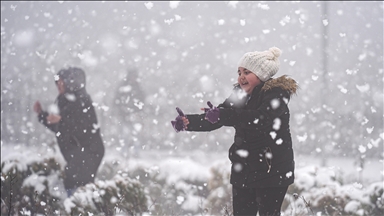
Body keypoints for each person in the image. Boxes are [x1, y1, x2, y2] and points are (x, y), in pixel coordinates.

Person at [171, 47, 298, 216]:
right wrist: (189, 122)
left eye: (247, 72)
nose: (241, 77)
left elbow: (260, 119)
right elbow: (219, 117)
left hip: (272, 171)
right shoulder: (239, 94)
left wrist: (224, 114)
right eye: (239, 72)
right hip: (244, 168)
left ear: (261, 74)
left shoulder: (277, 94)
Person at [33, 67, 105, 197]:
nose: (58, 86)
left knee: (77, 186)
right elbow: (60, 128)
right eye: (57, 83)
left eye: (62, 82)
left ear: (71, 82)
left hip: (88, 152)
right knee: (75, 186)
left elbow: (83, 126)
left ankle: (79, 208)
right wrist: (42, 115)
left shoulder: (82, 100)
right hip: (76, 154)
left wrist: (62, 120)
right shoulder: (64, 101)